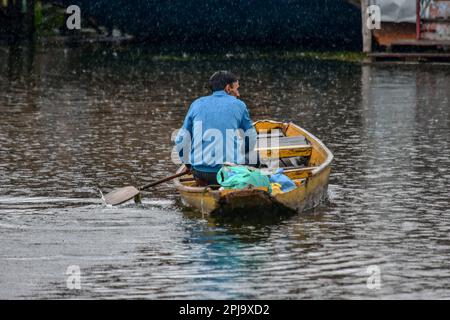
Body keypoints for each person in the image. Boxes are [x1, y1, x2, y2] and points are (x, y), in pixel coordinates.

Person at [175, 71, 257, 186]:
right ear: (228, 88)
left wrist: (188, 165)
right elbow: (251, 136)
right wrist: (244, 153)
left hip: (200, 172)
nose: (238, 94)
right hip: (228, 172)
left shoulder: (196, 104)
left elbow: (181, 140)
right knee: (255, 158)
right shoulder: (239, 105)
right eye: (236, 89)